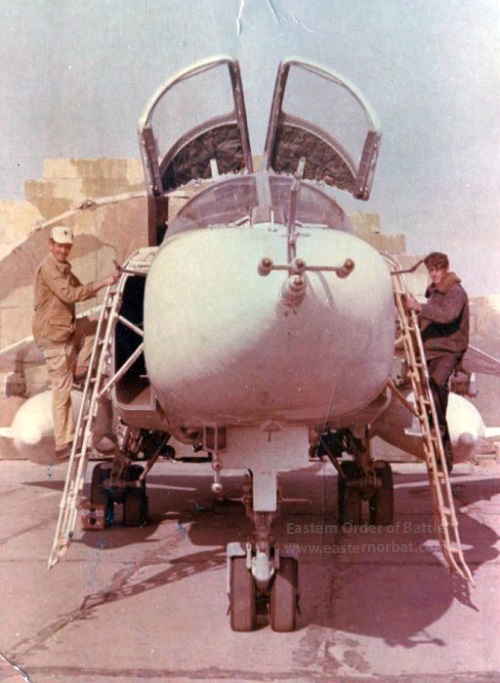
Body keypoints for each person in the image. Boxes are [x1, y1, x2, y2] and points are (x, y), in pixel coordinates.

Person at [33, 225, 119, 459]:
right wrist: (103, 283)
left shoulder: (64, 269)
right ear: (51, 245)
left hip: (66, 329)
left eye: (66, 246)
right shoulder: (49, 269)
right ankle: (63, 442)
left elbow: (79, 288)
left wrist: (110, 281)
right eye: (59, 245)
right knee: (61, 389)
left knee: (93, 324)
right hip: (53, 337)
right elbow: (70, 295)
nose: (63, 250)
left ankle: (81, 368)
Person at [406, 252, 469, 472]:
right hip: (431, 351)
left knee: (436, 386)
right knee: (431, 396)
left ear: (445, 269)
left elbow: (447, 315)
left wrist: (420, 308)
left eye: (437, 270)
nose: (433, 274)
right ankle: (441, 449)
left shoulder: (455, 292)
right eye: (431, 270)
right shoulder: (434, 294)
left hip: (448, 350)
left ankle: (441, 439)